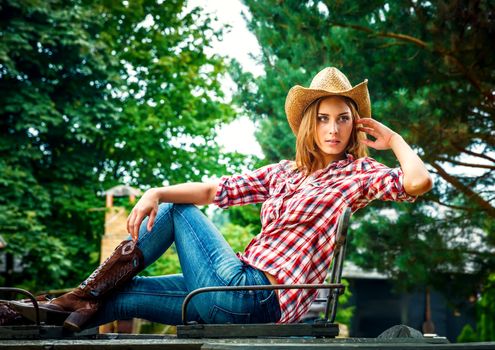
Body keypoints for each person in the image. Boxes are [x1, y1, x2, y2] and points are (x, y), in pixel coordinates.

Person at [4, 67, 432, 331]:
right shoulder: (283, 172)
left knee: (174, 208)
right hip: (226, 293)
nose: (333, 129)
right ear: (309, 124)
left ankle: (72, 298)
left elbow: (417, 183)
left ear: (355, 124)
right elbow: (215, 191)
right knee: (118, 294)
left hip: (258, 296)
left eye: (343, 119)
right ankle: (41, 316)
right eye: (323, 118)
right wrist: (153, 189)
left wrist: (392, 139)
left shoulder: (356, 174)